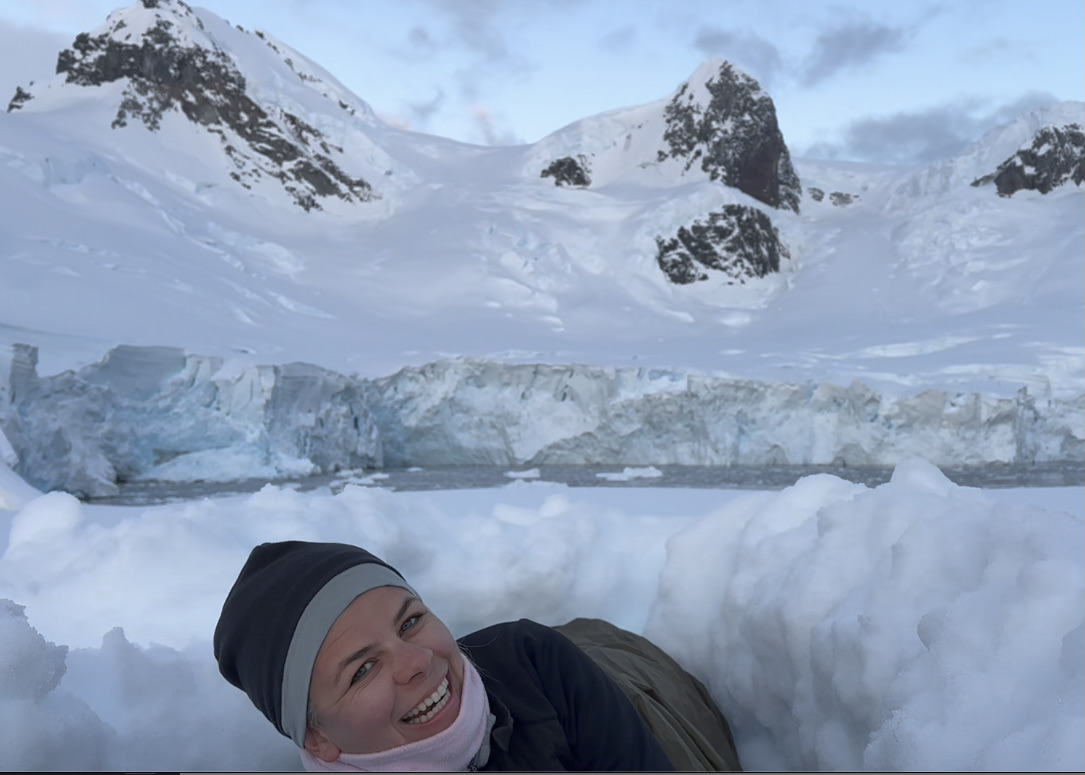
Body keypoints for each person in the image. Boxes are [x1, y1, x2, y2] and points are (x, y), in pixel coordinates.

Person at [213, 540, 741, 772]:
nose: (416, 660)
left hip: (626, 674)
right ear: (318, 738)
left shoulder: (535, 660)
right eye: (363, 669)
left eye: (411, 621)